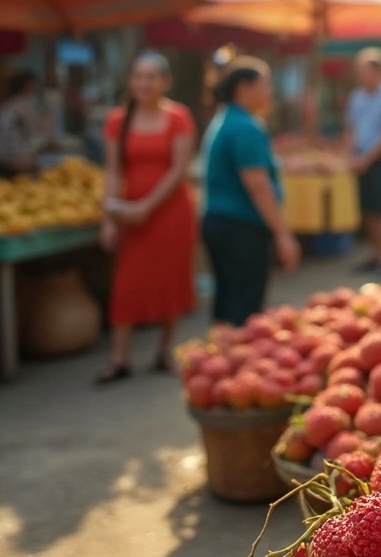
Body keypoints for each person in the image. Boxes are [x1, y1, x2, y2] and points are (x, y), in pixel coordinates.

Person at [96, 52, 197, 384]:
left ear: (165, 81)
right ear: (130, 81)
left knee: (171, 281)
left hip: (170, 212)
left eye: (151, 76)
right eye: (139, 76)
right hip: (131, 215)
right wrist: (110, 216)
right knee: (126, 284)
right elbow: (113, 171)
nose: (144, 83)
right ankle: (119, 358)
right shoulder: (116, 120)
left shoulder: (178, 117)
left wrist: (148, 206)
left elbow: (178, 170)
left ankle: (163, 351)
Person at [201, 57, 300, 326]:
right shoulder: (245, 127)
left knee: (225, 300)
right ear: (244, 87)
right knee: (245, 309)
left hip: (221, 222)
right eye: (265, 84)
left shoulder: (226, 119)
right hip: (241, 227)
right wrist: (283, 234)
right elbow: (258, 186)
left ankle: (219, 359)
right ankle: (235, 362)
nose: (270, 91)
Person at [344, 47, 381, 277]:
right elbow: (350, 129)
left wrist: (367, 159)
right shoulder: (356, 96)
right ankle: (375, 255)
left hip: (379, 160)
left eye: (364, 70)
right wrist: (352, 156)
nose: (360, 75)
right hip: (361, 159)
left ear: (379, 71)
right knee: (369, 210)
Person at [0, 72, 48, 176]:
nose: (35, 89)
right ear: (27, 85)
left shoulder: (7, 105)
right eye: (33, 85)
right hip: (15, 161)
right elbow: (35, 135)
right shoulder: (23, 107)